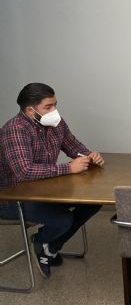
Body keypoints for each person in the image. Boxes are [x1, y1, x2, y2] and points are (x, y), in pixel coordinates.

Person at [0, 83, 104, 278]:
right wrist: (68, 168)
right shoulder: (15, 130)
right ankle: (44, 245)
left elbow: (74, 147)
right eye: (48, 107)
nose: (54, 111)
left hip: (44, 191)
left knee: (92, 204)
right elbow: (24, 172)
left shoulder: (56, 124)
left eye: (55, 105)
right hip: (12, 198)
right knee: (63, 219)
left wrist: (90, 156)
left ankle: (47, 247)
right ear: (31, 110)